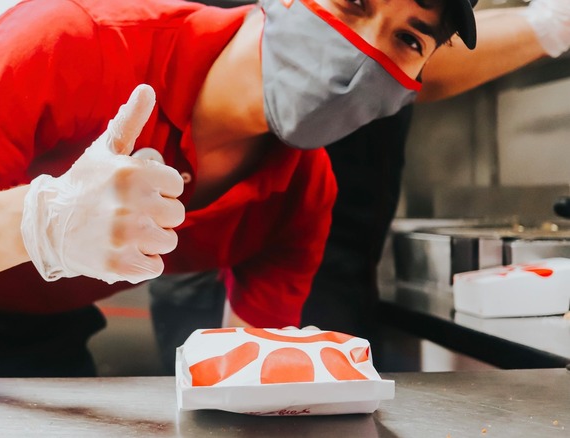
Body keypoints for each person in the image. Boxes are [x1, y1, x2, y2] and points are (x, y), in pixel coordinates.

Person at [0, 0, 481, 377]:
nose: (362, 49)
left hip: (46, 347)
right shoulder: (77, 42)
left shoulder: (301, 194)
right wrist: (43, 221)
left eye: (408, 39)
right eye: (352, 2)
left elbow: (251, 370)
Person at [150, 0, 570, 373]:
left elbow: (413, 50)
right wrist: (548, 24)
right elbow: (378, 50)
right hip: (234, 250)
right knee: (240, 395)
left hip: (336, 248)